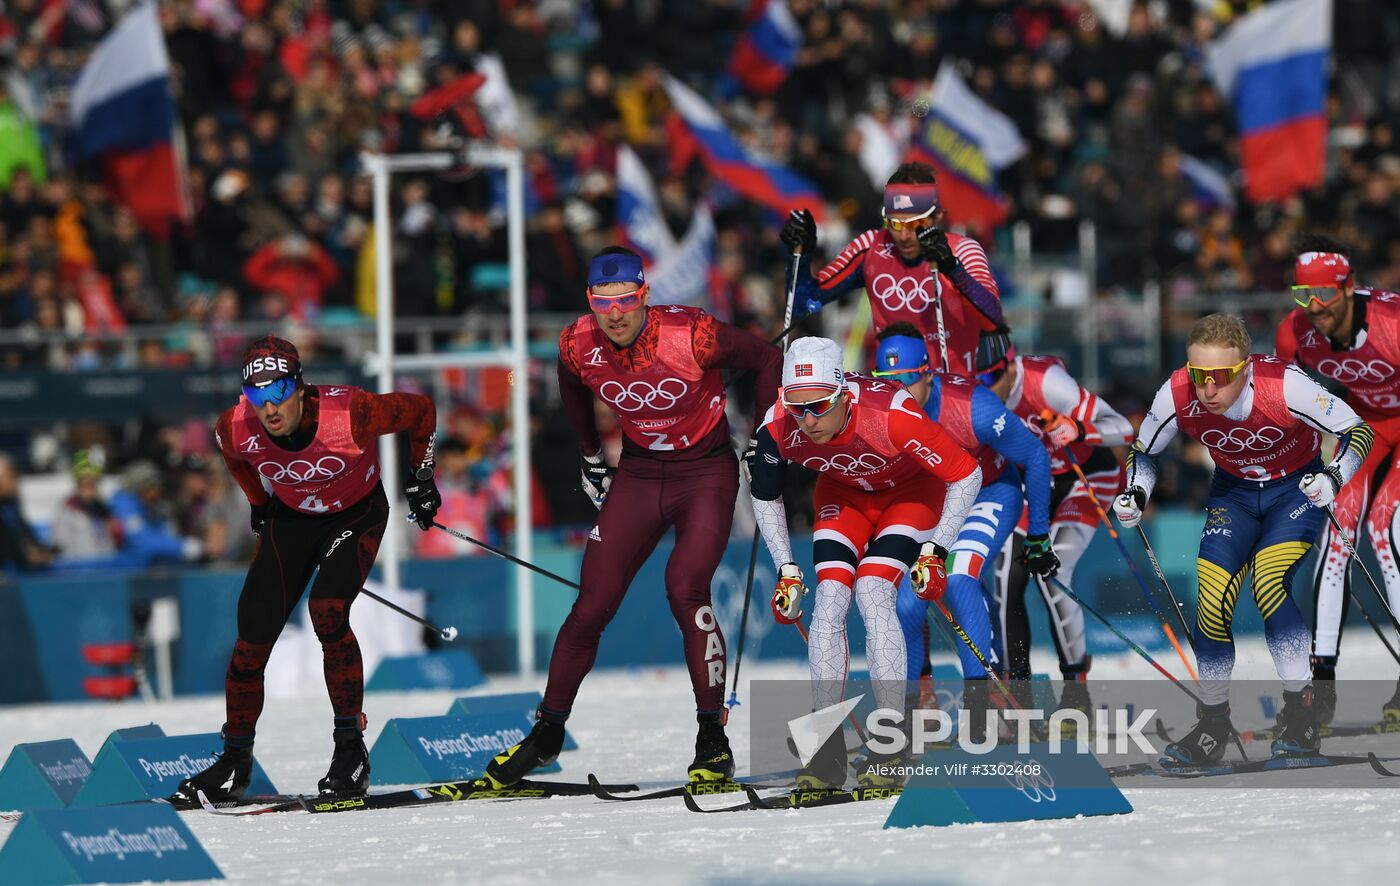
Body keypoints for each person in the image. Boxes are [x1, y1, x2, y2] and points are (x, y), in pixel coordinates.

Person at [484, 247, 782, 788]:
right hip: (639, 475)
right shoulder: (578, 342)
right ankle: (547, 733)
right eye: (603, 302)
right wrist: (590, 455)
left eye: (626, 301)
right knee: (592, 604)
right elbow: (569, 384)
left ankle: (712, 738)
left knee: (684, 588)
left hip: (705, 475)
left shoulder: (694, 334)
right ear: (590, 303)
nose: (615, 314)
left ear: (644, 296)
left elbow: (764, 357)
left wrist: (765, 437)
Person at [172, 335, 440, 804]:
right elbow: (235, 459)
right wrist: (258, 502)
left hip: (356, 513)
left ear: (299, 387)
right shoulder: (234, 427)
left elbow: (420, 410)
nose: (269, 407)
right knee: (250, 636)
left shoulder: (351, 413)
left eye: (278, 391)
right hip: (293, 519)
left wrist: (421, 479)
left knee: (327, 610)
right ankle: (236, 757)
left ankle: (350, 751)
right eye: (257, 395)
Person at [1115, 314, 1373, 764]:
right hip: (1233, 494)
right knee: (1211, 600)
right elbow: (1145, 454)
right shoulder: (1176, 393)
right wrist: (1137, 492)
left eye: (1221, 377)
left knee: (1268, 584)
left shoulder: (1285, 385)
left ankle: (1301, 712)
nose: (1208, 389)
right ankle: (1213, 722)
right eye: (1200, 376)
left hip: (1293, 490)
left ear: (1246, 369)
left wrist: (1333, 478)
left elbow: (1357, 432)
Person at [748, 337, 982, 789]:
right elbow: (764, 494)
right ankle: (826, 746)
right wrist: (786, 571)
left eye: (817, 406)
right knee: (831, 597)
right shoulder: (779, 423)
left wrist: (937, 551)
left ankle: (890, 738)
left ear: (842, 394)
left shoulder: (891, 413)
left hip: (909, 495)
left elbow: (966, 473)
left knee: (874, 590)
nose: (808, 420)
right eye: (797, 407)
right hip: (844, 495)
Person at [870, 325, 1056, 728]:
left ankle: (981, 701)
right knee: (903, 601)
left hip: (990, 494)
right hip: (932, 503)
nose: (896, 394)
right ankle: (919, 704)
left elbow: (1036, 457)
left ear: (927, 373)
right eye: (885, 383)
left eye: (904, 382)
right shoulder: (879, 412)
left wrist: (1039, 534)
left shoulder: (974, 407)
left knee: (956, 575)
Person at [1275, 236, 1400, 723]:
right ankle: (1319, 691)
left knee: (1385, 530)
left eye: (1323, 295)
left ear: (1349, 289)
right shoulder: (1296, 334)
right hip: (1367, 429)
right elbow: (1287, 402)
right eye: (1302, 295)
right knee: (1335, 533)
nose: (1314, 308)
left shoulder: (1391, 324)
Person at [980, 331, 1135, 720]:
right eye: (976, 380)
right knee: (1003, 579)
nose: (983, 389)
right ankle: (1018, 695)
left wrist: (1080, 429)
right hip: (1032, 485)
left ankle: (1075, 690)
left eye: (990, 380)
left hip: (1084, 477)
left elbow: (1123, 427)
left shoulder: (1046, 381)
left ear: (1010, 367)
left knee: (1054, 573)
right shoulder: (977, 394)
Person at [780, 161, 1004, 374]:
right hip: (897, 393)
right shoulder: (870, 246)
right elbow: (803, 304)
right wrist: (800, 255)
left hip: (956, 390)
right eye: (895, 224)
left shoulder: (963, 250)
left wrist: (953, 269)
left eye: (915, 224)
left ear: (935, 217)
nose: (905, 236)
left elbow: (993, 319)